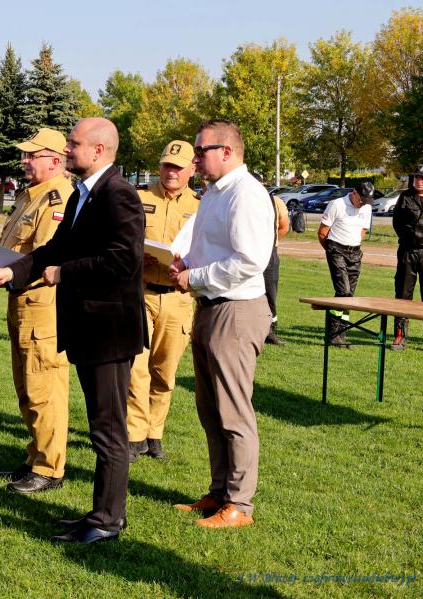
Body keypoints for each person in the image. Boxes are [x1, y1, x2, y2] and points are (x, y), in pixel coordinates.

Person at [0, 117, 146, 545]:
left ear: (98, 150)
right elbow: (55, 248)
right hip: (89, 326)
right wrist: (10, 272)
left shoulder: (119, 194)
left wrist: (65, 273)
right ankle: (101, 514)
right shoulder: (83, 194)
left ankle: (107, 521)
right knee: (101, 427)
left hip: (109, 331)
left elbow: (123, 260)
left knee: (108, 431)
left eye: (74, 144)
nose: (67, 150)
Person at [169, 119, 274, 529]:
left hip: (237, 310)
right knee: (210, 410)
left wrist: (193, 276)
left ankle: (240, 506)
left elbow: (249, 261)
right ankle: (219, 493)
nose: (194, 160)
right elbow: (215, 249)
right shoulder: (216, 193)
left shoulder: (246, 194)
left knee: (233, 413)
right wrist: (186, 263)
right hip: (211, 306)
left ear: (226, 152)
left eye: (201, 152)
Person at [0, 128, 74, 493]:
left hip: (42, 304)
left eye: (32, 155)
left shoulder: (58, 199)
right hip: (22, 301)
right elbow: (9, 244)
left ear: (55, 160)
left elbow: (43, 257)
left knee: (44, 387)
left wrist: (0, 271)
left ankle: (49, 468)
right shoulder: (31, 195)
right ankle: (35, 456)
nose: (24, 160)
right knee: (26, 387)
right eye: (25, 154)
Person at [126, 140, 199, 462]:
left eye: (179, 167)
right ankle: (134, 435)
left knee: (165, 372)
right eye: (167, 165)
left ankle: (154, 434)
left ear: (192, 169)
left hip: (177, 299)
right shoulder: (138, 198)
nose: (172, 172)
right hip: (140, 293)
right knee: (135, 368)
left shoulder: (201, 207)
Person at [317, 181, 374, 347]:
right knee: (344, 291)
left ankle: (341, 334)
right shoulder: (337, 204)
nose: (363, 204)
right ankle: (333, 333)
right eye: (361, 200)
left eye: (367, 201)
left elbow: (363, 230)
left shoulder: (367, 207)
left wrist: (352, 244)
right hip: (337, 249)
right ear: (354, 193)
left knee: (350, 296)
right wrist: (332, 252)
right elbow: (322, 232)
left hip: (355, 251)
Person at [390, 164, 423, 352]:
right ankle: (400, 336)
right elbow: (397, 223)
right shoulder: (405, 197)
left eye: (422, 178)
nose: (418, 181)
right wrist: (408, 239)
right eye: (416, 177)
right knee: (403, 293)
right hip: (408, 251)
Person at [253, 172, 290, 345]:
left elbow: (283, 226)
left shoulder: (276, 202)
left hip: (269, 254)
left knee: (270, 292)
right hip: (245, 253)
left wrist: (269, 244)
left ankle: (270, 331)